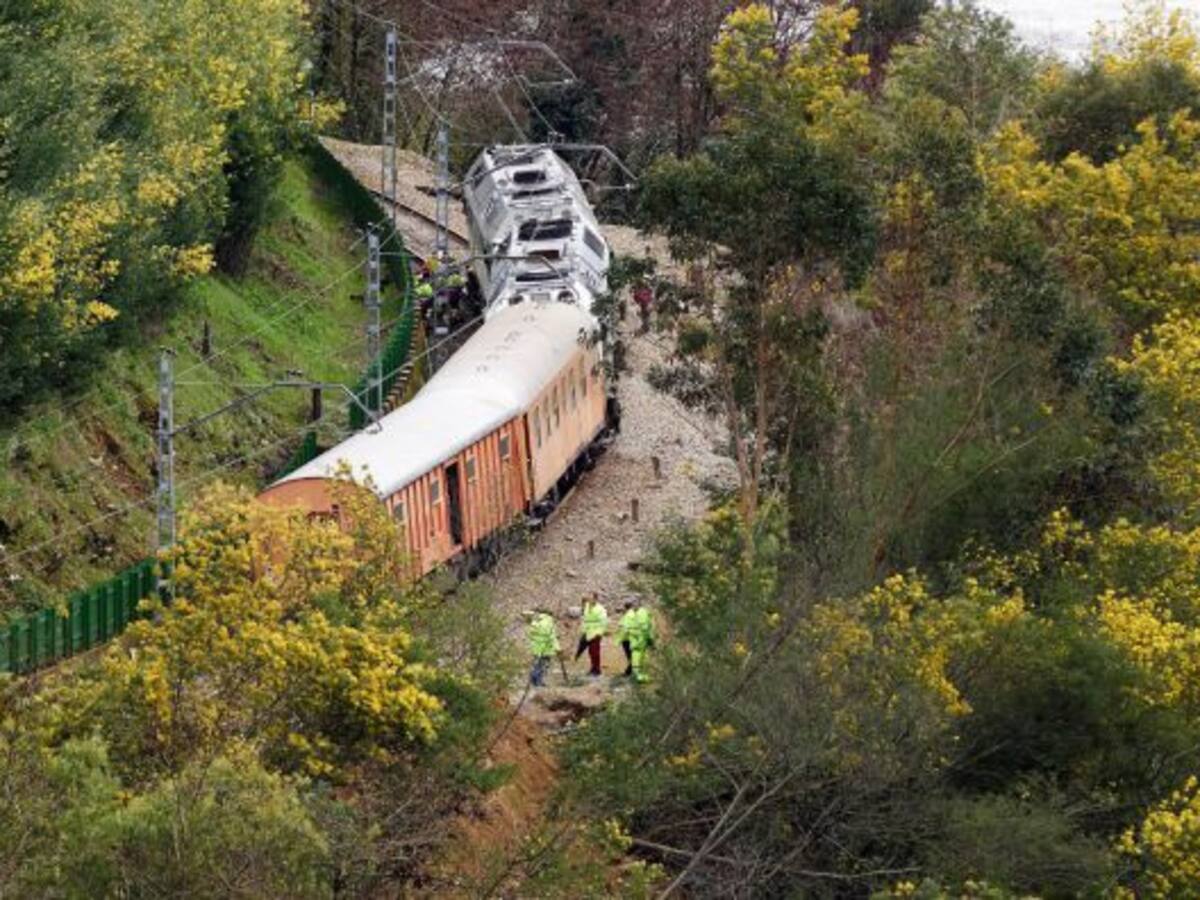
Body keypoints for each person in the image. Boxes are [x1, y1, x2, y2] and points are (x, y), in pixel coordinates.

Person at [574, 593, 608, 677]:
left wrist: (599, 632)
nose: (590, 600)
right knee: (589, 651)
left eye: (591, 598)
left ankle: (597, 670)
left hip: (596, 632)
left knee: (595, 652)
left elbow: (604, 622)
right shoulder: (587, 606)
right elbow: (583, 614)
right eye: (589, 598)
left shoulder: (600, 609)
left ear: (596, 599)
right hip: (587, 632)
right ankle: (592, 668)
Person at [526, 608, 560, 687]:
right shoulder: (549, 622)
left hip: (536, 647)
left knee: (537, 664)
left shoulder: (535, 622)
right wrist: (557, 648)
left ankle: (533, 680)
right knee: (544, 665)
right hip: (546, 647)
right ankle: (539, 681)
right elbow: (552, 637)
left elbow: (529, 634)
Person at [629, 601, 657, 684]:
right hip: (638, 641)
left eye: (634, 605)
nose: (633, 607)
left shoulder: (642, 614)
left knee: (640, 659)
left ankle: (640, 676)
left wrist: (650, 638)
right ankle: (641, 676)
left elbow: (646, 627)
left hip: (640, 641)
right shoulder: (639, 613)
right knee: (640, 659)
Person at [617, 597, 638, 676]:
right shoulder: (630, 614)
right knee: (630, 655)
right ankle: (630, 671)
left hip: (627, 638)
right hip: (628, 637)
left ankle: (629, 671)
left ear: (625, 607)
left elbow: (625, 626)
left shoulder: (628, 615)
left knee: (630, 656)